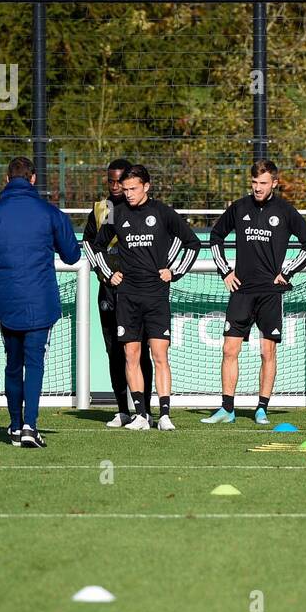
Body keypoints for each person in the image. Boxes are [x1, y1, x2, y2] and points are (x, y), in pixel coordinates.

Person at [0, 157, 81, 447]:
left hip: (7, 301)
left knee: (13, 364)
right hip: (42, 301)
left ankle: (15, 426)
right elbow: (73, 256)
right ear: (34, 179)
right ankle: (30, 425)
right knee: (34, 362)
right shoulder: (50, 213)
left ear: (6, 179)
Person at [84, 164, 201, 431]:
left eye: (133, 189)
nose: (128, 194)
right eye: (125, 189)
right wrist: (107, 273)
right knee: (131, 354)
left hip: (156, 294)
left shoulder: (162, 212)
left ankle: (165, 415)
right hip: (127, 296)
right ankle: (139, 415)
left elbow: (192, 243)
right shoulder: (116, 213)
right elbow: (94, 245)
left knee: (160, 355)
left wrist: (175, 271)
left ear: (146, 187)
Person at [204, 160, 306, 425]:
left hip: (270, 292)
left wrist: (287, 272)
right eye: (254, 183)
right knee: (229, 349)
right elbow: (215, 237)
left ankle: (261, 409)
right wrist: (225, 272)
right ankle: (227, 409)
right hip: (241, 291)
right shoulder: (240, 207)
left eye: (263, 183)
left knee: (267, 352)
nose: (257, 188)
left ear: (274, 183)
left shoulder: (285, 211)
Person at [82, 158, 154, 427]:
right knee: (114, 350)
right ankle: (123, 409)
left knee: (140, 351)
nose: (115, 186)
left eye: (119, 181)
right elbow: (90, 244)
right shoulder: (102, 210)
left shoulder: (144, 209)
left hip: (139, 291)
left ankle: (143, 409)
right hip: (109, 291)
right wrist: (107, 274)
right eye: (110, 181)